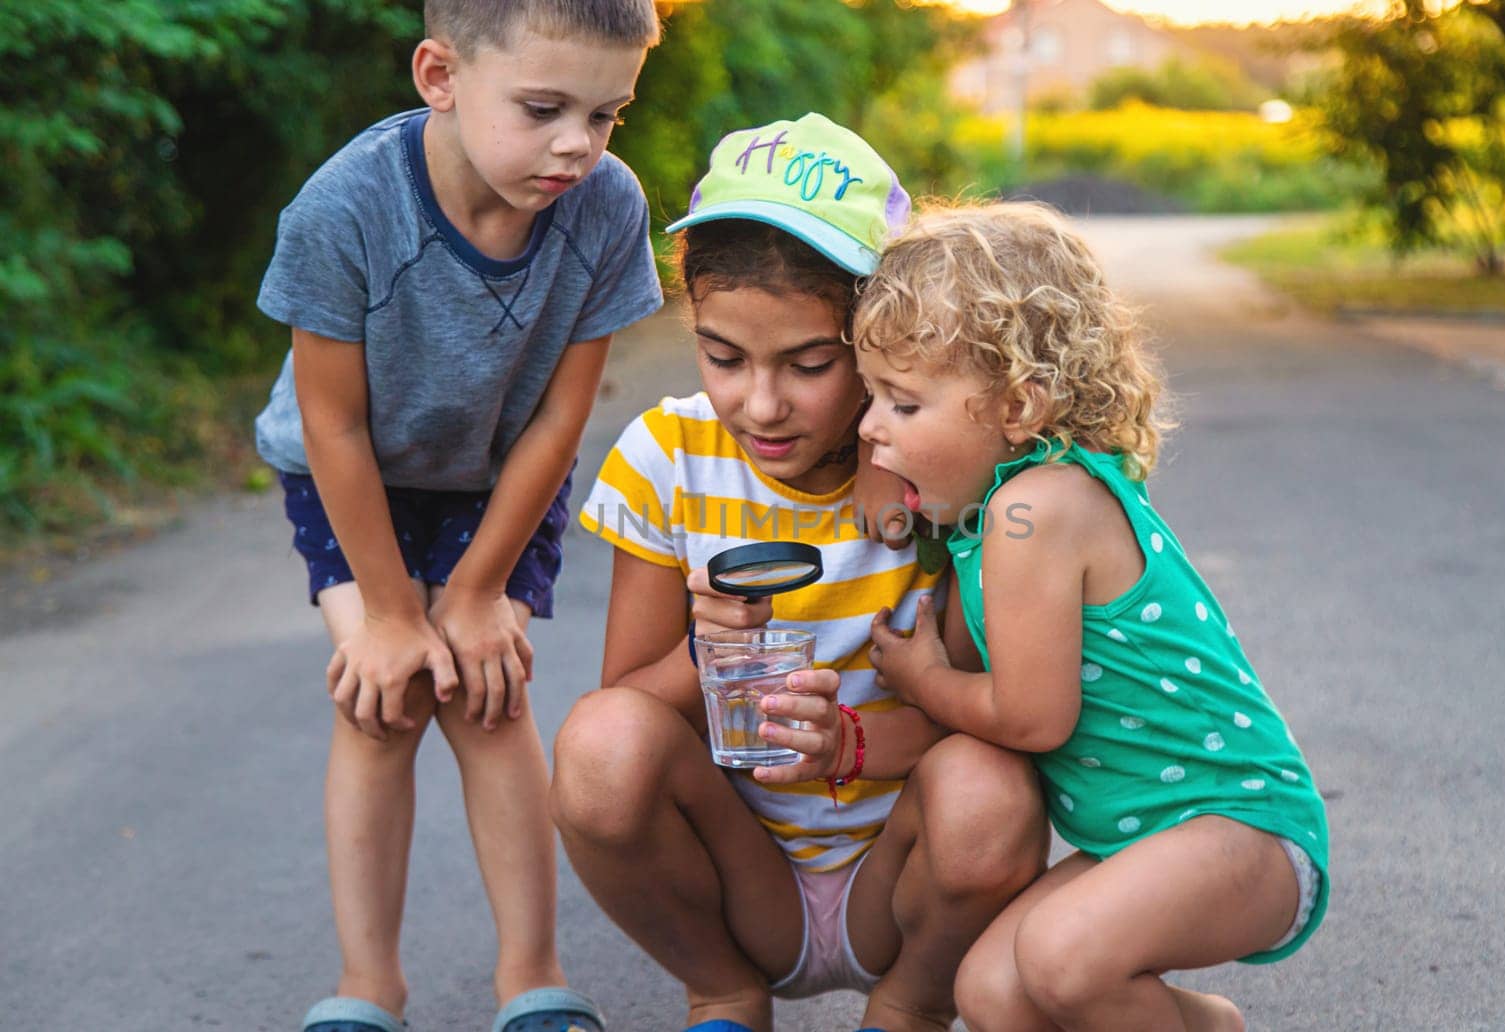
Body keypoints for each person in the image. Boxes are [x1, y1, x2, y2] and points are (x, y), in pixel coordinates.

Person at [550, 114, 1047, 1032]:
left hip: (902, 872)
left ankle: (910, 1005)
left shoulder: (951, 469)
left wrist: (848, 744)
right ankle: (722, 991)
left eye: (812, 363)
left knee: (990, 787)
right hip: (745, 877)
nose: (761, 404)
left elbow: (1002, 722)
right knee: (597, 747)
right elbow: (626, 717)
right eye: (722, 355)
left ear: (880, 335)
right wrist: (705, 654)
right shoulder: (668, 456)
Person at [252, 2, 663, 1029]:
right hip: (355, 473)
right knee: (383, 699)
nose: (577, 143)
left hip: (500, 473)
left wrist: (477, 591)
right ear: (439, 76)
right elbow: (333, 426)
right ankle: (367, 989)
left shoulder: (606, 208)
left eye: (607, 114)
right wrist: (392, 616)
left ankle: (530, 980)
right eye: (543, 108)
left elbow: (563, 417)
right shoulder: (343, 210)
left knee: (489, 696)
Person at [855, 201, 1331, 1032]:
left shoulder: (1036, 510)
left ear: (1018, 408)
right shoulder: (996, 517)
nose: (869, 429)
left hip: (1238, 824)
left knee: (1060, 961)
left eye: (902, 404)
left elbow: (1030, 718)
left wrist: (923, 679)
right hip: (1145, 841)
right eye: (871, 398)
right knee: (992, 992)